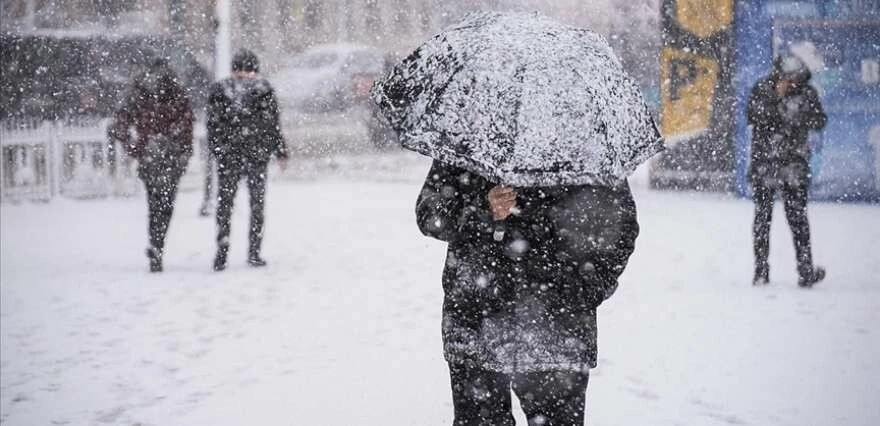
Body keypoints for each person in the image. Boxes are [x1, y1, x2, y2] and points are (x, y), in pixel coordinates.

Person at [416, 160, 639, 425]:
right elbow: (430, 215)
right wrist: (481, 206)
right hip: (477, 321)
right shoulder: (469, 134)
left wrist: (586, 288)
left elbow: (621, 226)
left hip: (557, 329)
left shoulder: (584, 144)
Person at [747, 55, 827, 287]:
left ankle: (805, 271)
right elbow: (753, 116)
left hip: (794, 163)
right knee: (763, 218)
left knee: (798, 219)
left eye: (795, 79)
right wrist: (776, 97)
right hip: (766, 163)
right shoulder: (763, 88)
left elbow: (819, 120)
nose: (791, 83)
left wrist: (798, 113)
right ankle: (761, 270)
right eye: (787, 79)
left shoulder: (807, 93)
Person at [108, 58, 193, 272]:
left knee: (154, 202)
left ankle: (156, 244)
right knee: (165, 204)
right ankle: (158, 243)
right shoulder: (175, 91)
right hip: (170, 153)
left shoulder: (138, 91)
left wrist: (134, 147)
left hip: (149, 153)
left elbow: (120, 123)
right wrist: (184, 151)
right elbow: (187, 124)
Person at [207, 49, 289, 271]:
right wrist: (279, 150)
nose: (243, 76)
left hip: (233, 156)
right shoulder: (263, 90)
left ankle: (224, 248)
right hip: (254, 155)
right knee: (255, 204)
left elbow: (213, 126)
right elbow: (272, 124)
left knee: (227, 204)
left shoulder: (221, 90)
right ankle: (252, 251)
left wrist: (219, 150)